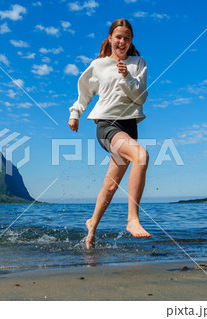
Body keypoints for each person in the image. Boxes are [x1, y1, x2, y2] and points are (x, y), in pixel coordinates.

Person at [68, 18, 151, 249]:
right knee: (141, 156)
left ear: (131, 41)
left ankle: (91, 228)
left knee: (112, 185)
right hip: (107, 125)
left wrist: (127, 78)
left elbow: (141, 98)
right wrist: (75, 113)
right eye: (118, 37)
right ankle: (132, 219)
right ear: (110, 39)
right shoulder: (99, 65)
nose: (122, 41)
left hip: (129, 127)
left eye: (127, 38)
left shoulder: (138, 63)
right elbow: (84, 93)